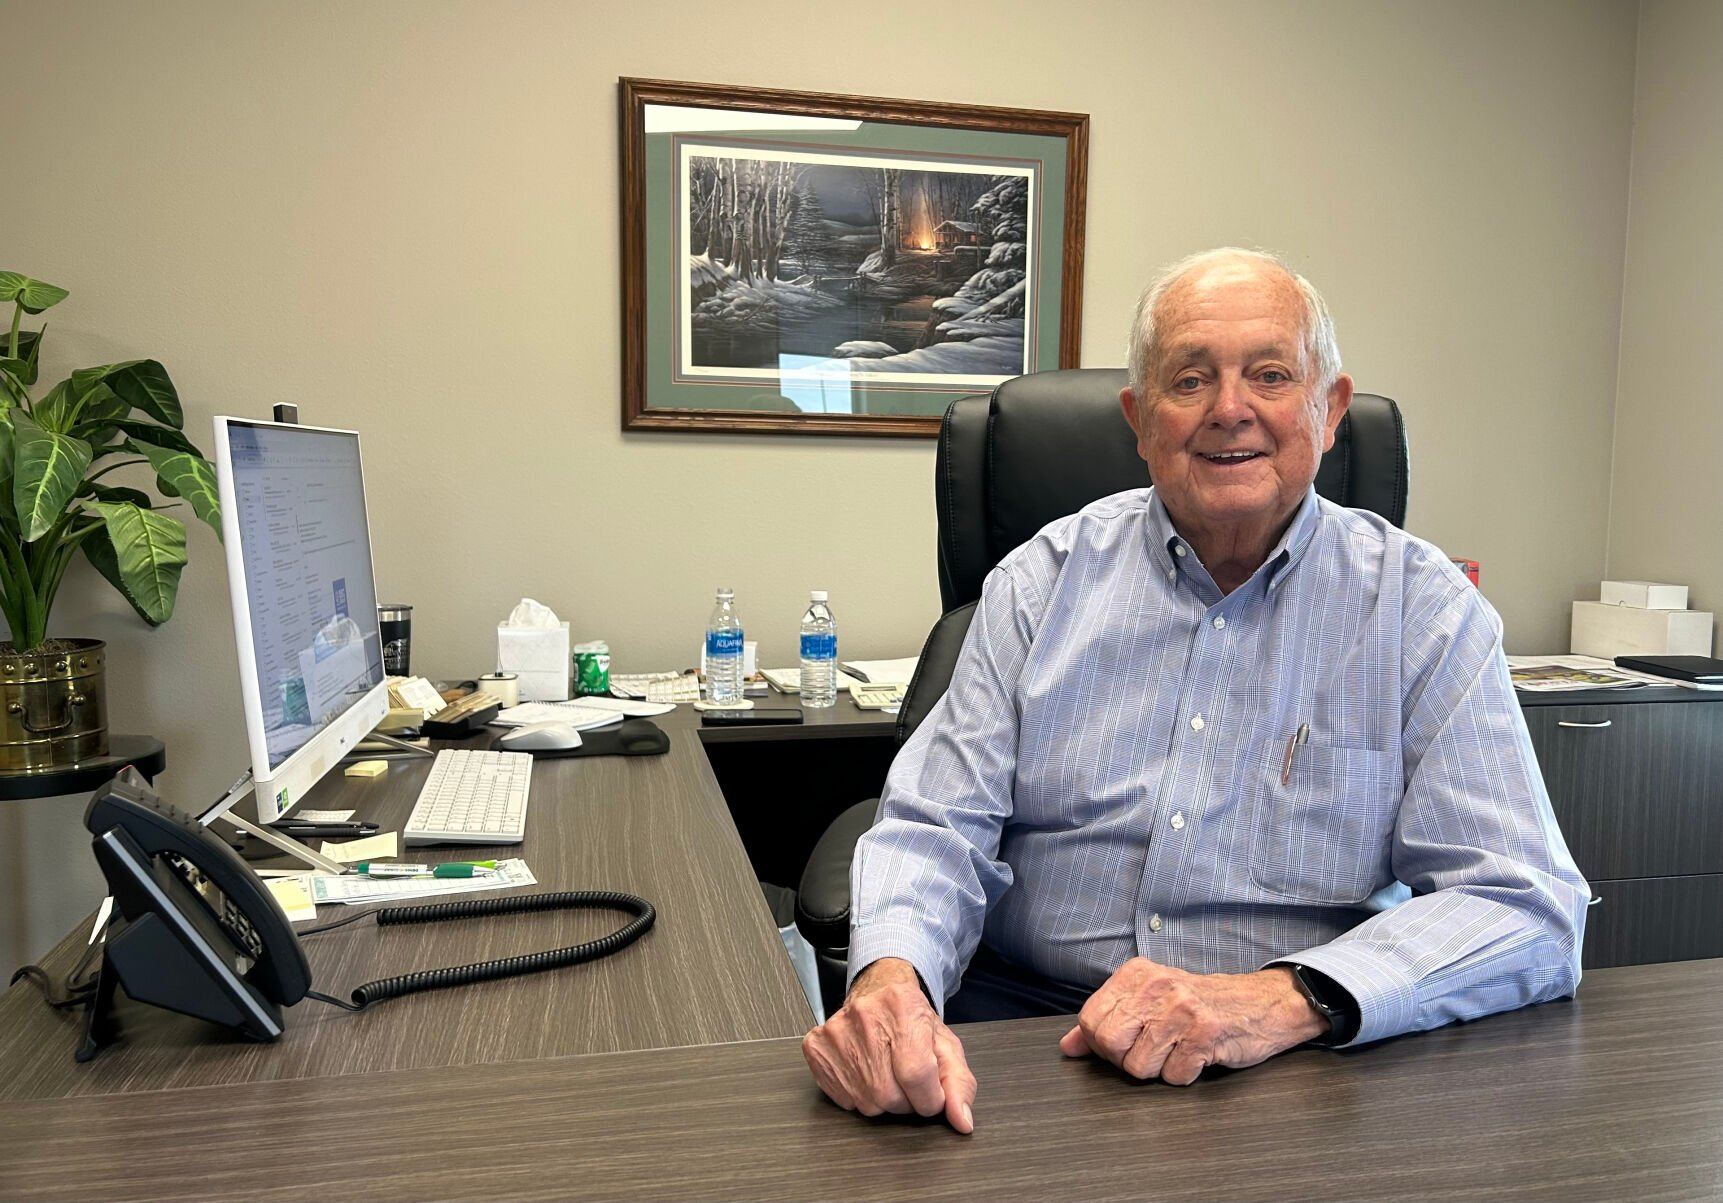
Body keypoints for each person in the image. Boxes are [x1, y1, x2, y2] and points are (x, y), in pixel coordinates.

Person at [800, 248, 1589, 1134]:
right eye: (1189, 379)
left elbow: (1525, 906)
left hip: (1291, 1055)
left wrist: (1278, 1000)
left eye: (1270, 374)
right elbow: (934, 826)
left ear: (1327, 410)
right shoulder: (1038, 584)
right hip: (1025, 1038)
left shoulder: (1423, 611)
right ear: (1140, 421)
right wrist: (890, 978)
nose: (1229, 410)